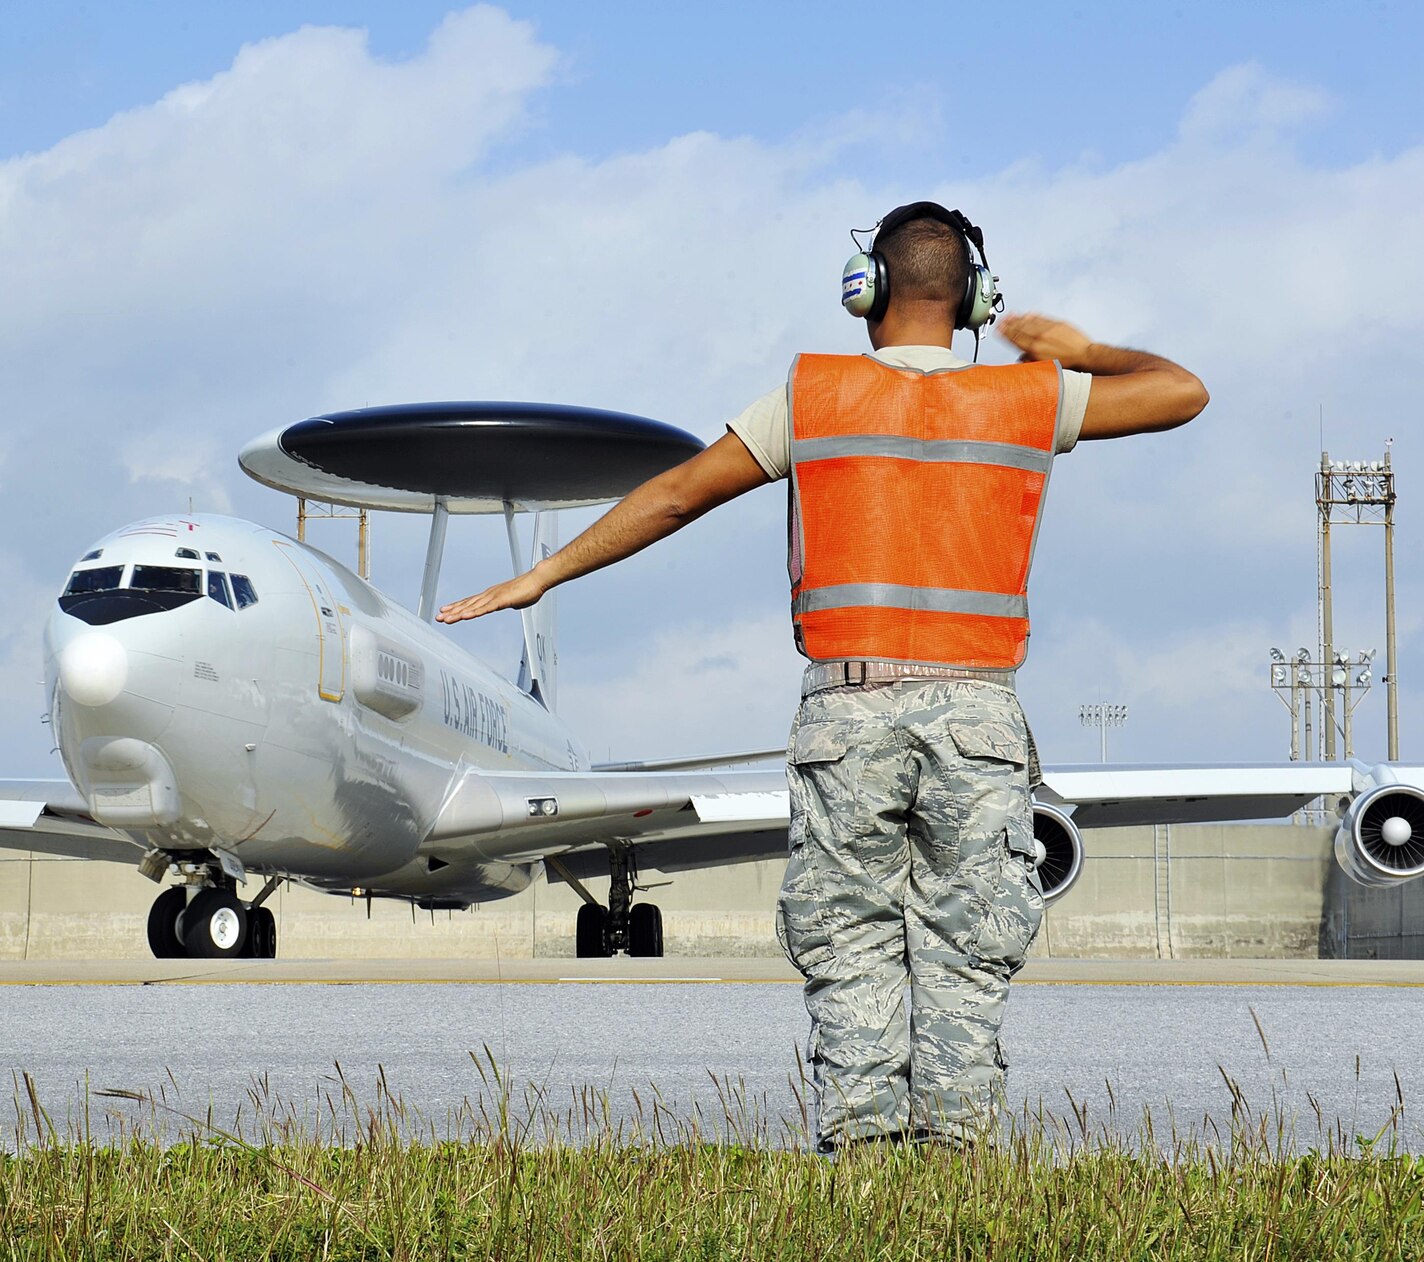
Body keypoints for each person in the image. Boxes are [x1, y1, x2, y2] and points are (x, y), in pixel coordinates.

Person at [436, 201, 1208, 1150]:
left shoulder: (814, 396)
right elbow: (1183, 391)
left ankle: (862, 1165)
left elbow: (678, 495)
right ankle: (957, 1166)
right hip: (979, 712)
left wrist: (543, 574)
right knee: (966, 957)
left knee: (849, 946)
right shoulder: (1031, 397)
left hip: (848, 708)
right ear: (973, 300)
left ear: (866, 291)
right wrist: (1080, 349)